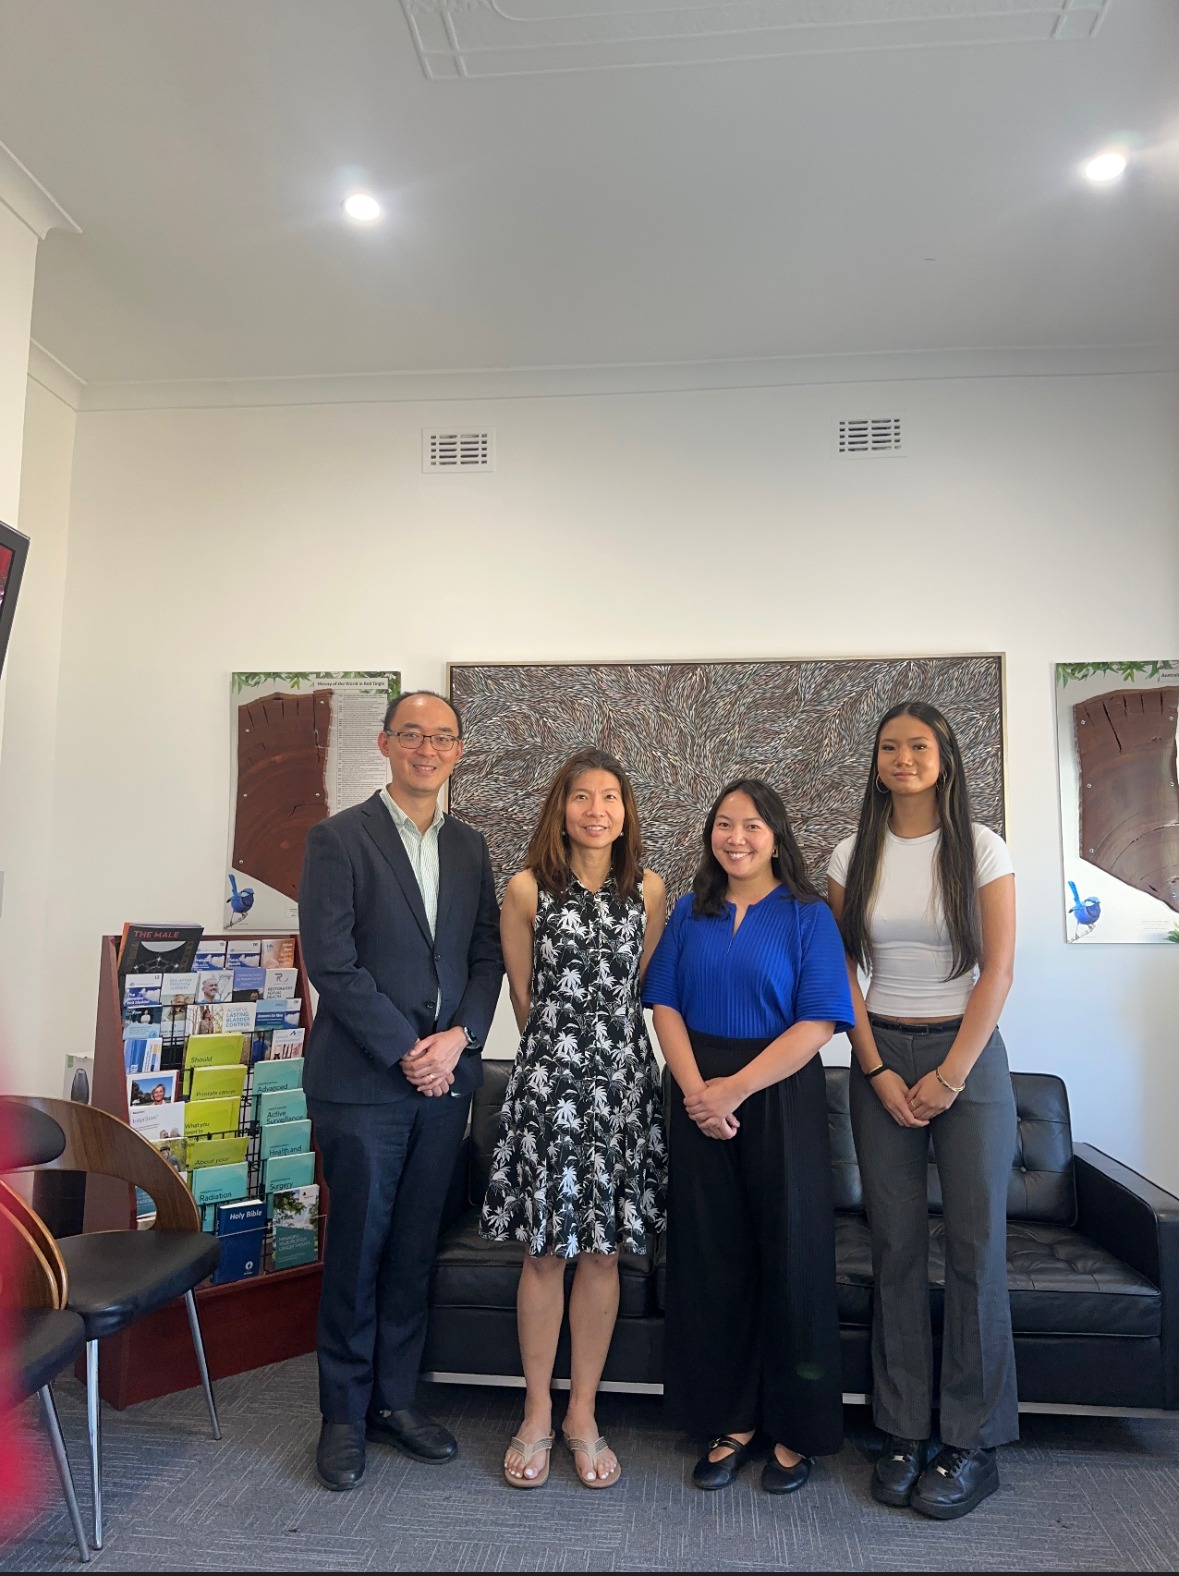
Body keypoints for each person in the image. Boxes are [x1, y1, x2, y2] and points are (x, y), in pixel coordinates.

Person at [298, 689, 503, 1492]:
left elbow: (485, 956)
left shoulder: (471, 846)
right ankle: (341, 1417)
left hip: (444, 1085)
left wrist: (460, 1039)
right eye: (411, 734)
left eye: (442, 737)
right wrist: (406, 1050)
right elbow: (332, 962)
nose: (427, 749)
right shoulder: (337, 838)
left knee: (414, 1250)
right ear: (385, 744)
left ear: (458, 752)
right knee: (357, 1252)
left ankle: (394, 1400)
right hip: (361, 1085)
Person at [826, 699, 1017, 1521]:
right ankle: (902, 1430)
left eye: (917, 746)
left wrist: (949, 1076)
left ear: (944, 759)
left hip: (965, 1057)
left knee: (974, 1247)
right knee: (895, 1247)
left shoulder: (981, 847)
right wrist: (871, 1067)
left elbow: (997, 971)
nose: (901, 758)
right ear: (875, 763)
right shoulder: (851, 852)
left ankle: (970, 1443)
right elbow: (840, 974)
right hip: (880, 1055)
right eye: (888, 747)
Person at [644, 779, 853, 1495]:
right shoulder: (688, 911)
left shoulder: (807, 915)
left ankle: (795, 1429)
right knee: (711, 1261)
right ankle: (728, 1421)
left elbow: (819, 1022)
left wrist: (732, 1090)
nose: (736, 838)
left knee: (792, 1257)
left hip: (778, 1093)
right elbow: (663, 1003)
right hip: (695, 1091)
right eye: (724, 825)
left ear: (776, 837)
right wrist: (696, 1093)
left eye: (752, 826)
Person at [480, 749, 666, 1491]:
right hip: (549, 1086)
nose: (596, 809)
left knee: (603, 1254)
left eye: (610, 797)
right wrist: (566, 1057)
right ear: (560, 810)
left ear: (626, 812)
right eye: (581, 796)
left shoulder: (650, 890)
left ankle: (582, 1415)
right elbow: (524, 1000)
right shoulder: (527, 889)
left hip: (622, 1088)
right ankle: (535, 1412)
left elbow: (639, 989)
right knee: (544, 1253)